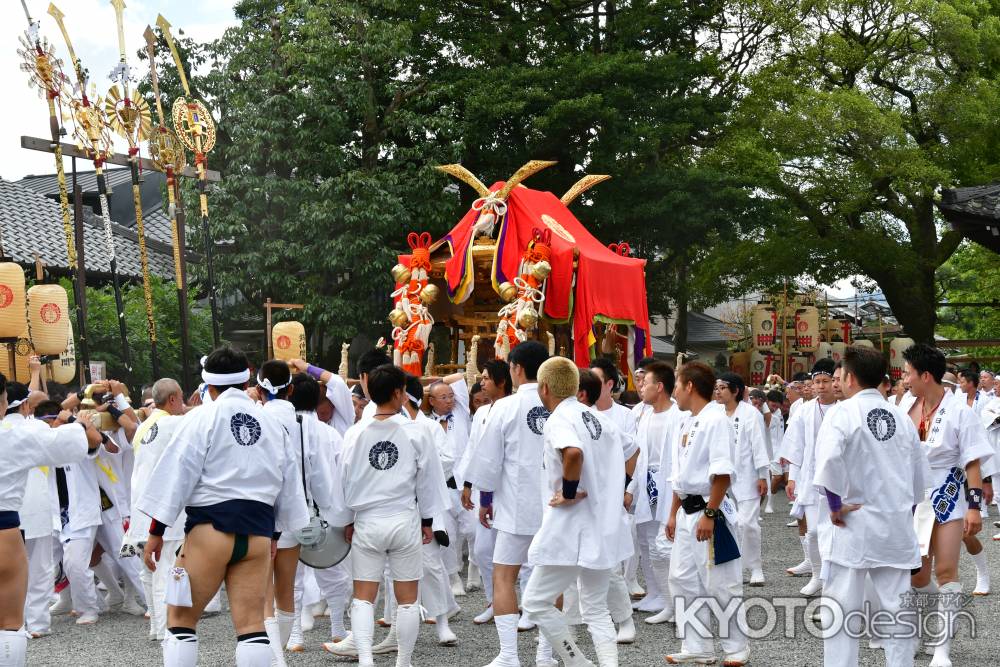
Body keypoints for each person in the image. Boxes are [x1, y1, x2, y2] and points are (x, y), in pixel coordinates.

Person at [138, 347, 309, 667]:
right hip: (257, 534)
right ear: (248, 380)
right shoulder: (272, 423)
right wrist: (274, 535)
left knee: (180, 620)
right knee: (251, 626)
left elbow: (177, 474)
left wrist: (155, 531)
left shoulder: (202, 417)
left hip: (210, 530)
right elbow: (288, 484)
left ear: (208, 385)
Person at [813, 345, 926, 667]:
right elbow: (919, 481)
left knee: (843, 609)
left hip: (854, 523)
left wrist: (834, 504)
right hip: (895, 523)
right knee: (896, 608)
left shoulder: (842, 412)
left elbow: (829, 461)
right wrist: (904, 514)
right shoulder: (902, 418)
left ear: (849, 378)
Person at [521, 357, 630, 667]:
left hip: (570, 527)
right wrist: (614, 492)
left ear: (544, 388)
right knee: (595, 607)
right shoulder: (596, 417)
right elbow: (632, 451)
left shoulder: (560, 418)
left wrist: (569, 493)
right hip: (601, 523)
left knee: (534, 601)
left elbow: (573, 453)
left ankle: (577, 662)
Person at [337, 364, 446, 667]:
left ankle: (366, 659)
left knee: (363, 595)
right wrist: (428, 521)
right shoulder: (416, 431)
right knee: (408, 596)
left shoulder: (355, 432)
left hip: (367, 519)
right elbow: (428, 481)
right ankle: (404, 661)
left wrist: (346, 520)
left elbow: (343, 480)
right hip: (403, 517)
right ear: (399, 392)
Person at [0, 371, 103, 667]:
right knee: (8, 621)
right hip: (5, 528)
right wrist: (74, 420)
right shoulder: (17, 432)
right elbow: (70, 445)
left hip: (13, 522)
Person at [901, 344, 992, 666]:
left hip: (949, 492)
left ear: (925, 375)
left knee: (946, 569)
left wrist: (973, 506)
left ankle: (942, 649)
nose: (904, 378)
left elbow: (972, 463)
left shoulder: (960, 412)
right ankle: (919, 630)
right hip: (912, 496)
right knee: (916, 575)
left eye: (908, 372)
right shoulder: (905, 405)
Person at [464, 341, 550, 667]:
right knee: (550, 578)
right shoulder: (561, 405)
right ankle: (546, 655)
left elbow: (487, 462)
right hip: (555, 507)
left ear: (515, 369)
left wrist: (484, 497)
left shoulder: (505, 407)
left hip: (515, 505)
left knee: (504, 576)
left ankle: (510, 654)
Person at [665, 362, 748, 666]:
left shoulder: (716, 420)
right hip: (687, 509)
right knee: (682, 578)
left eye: (676, 384)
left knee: (720, 581)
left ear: (689, 386)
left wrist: (710, 514)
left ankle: (736, 646)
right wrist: (673, 513)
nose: (674, 390)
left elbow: (722, 473)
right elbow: (679, 476)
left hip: (710, 510)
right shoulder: (687, 421)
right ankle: (697, 645)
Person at [575, 369, 639, 644]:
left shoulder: (604, 422)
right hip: (572, 505)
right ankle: (569, 626)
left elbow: (634, 449)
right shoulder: (564, 419)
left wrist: (623, 485)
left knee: (606, 565)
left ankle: (625, 621)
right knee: (567, 568)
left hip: (595, 504)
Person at [121, 378, 188, 642]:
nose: (183, 404)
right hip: (163, 510)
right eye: (181, 398)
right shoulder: (174, 424)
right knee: (166, 570)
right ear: (172, 399)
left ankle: (155, 626)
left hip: (141, 508)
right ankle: (165, 630)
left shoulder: (143, 426)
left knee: (148, 572)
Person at [458, 359, 515, 627]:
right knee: (482, 551)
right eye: (481, 377)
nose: (482, 381)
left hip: (511, 490)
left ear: (502, 381)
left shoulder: (513, 408)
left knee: (518, 554)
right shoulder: (481, 413)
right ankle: (494, 601)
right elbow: (474, 451)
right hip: (485, 489)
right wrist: (468, 483)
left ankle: (523, 605)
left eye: (487, 377)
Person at [631, 361, 684, 622]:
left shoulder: (679, 416)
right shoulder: (644, 415)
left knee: (668, 545)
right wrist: (631, 487)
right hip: (646, 485)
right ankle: (663, 598)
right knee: (649, 544)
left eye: (646, 382)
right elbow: (639, 455)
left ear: (660, 387)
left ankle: (679, 603)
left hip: (669, 486)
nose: (641, 387)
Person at [782, 358, 838, 594]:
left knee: (833, 533)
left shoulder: (844, 407)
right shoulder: (804, 410)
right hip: (810, 478)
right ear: (812, 384)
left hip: (837, 480)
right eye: (818, 382)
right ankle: (817, 575)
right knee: (814, 531)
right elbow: (797, 448)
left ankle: (832, 580)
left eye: (827, 381)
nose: (822, 386)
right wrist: (792, 477)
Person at [714, 373, 769, 586]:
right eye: (716, 387)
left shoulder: (750, 414)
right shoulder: (715, 414)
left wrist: (762, 475)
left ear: (735, 391)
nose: (717, 391)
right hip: (720, 477)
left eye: (722, 387)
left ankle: (755, 567)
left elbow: (759, 445)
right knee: (727, 523)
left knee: (748, 523)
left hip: (747, 475)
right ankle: (732, 568)